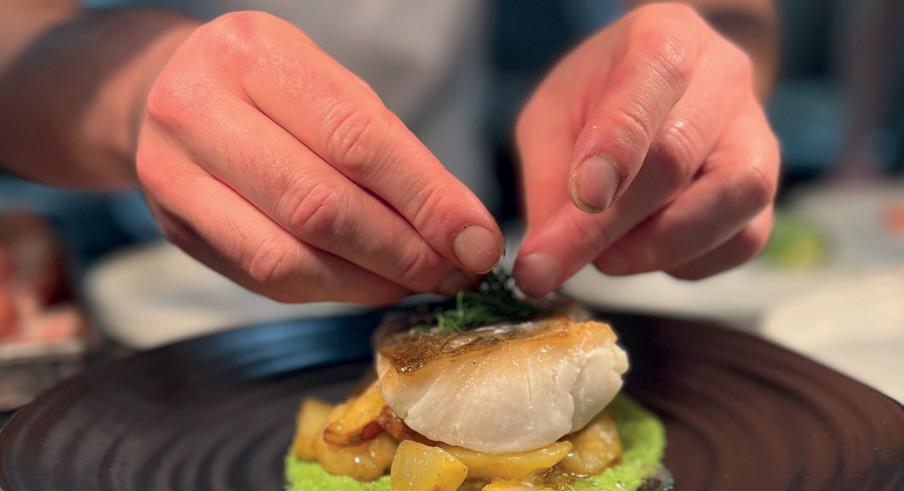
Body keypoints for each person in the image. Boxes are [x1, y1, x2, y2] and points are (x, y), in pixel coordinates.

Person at [0, 1, 780, 303]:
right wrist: (138, 90)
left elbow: (729, 18)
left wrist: (694, 79)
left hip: (478, 239)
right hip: (158, 283)